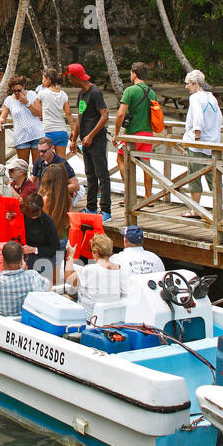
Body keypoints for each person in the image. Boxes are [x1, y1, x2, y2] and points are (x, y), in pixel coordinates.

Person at [68, 63, 110, 222]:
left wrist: (92, 135)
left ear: (75, 77)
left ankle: (106, 209)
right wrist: (74, 140)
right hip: (85, 141)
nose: (69, 80)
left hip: (97, 141)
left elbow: (104, 116)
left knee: (102, 175)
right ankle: (91, 207)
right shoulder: (81, 94)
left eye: (70, 77)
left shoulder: (95, 92)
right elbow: (80, 117)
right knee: (90, 174)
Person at [181, 69, 222, 221]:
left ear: (195, 83)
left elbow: (197, 118)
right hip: (211, 143)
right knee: (213, 176)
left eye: (188, 84)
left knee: (194, 176)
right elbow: (219, 118)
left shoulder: (195, 98)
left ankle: (195, 209)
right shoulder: (211, 97)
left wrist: (196, 137)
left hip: (197, 144)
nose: (186, 87)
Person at [0, 241, 50, 316]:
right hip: (23, 322)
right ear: (22, 260)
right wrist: (23, 270)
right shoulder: (33, 276)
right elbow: (48, 285)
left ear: (3, 260)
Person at [113, 62, 158, 199]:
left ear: (134, 74)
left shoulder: (130, 91)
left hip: (132, 134)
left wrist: (116, 134)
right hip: (147, 133)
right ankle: (148, 197)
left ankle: (130, 194)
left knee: (121, 160)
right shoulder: (152, 92)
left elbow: (121, 114)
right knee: (146, 165)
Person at [66, 233, 126, 315]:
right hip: (112, 317)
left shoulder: (88, 270)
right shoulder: (120, 268)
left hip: (89, 319)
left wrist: (70, 255)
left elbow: (68, 279)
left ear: (95, 252)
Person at [0, 75, 44, 164]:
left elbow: (39, 113)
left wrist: (27, 103)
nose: (17, 93)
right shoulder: (9, 100)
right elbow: (3, 117)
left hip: (37, 135)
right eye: (14, 91)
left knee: (38, 167)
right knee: (22, 167)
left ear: (23, 86)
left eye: (19, 90)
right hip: (21, 137)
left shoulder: (32, 95)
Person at [20, 193, 59, 279]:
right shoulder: (22, 214)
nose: (33, 217)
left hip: (44, 254)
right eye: (30, 215)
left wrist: (34, 249)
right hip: (25, 253)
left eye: (36, 215)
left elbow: (54, 248)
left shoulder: (47, 222)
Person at [34, 68, 72, 150]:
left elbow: (37, 111)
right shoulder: (63, 94)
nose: (42, 81)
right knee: (61, 160)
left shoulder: (42, 94)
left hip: (48, 130)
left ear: (49, 79)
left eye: (43, 79)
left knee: (46, 159)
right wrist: (73, 129)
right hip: (62, 131)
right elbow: (68, 113)